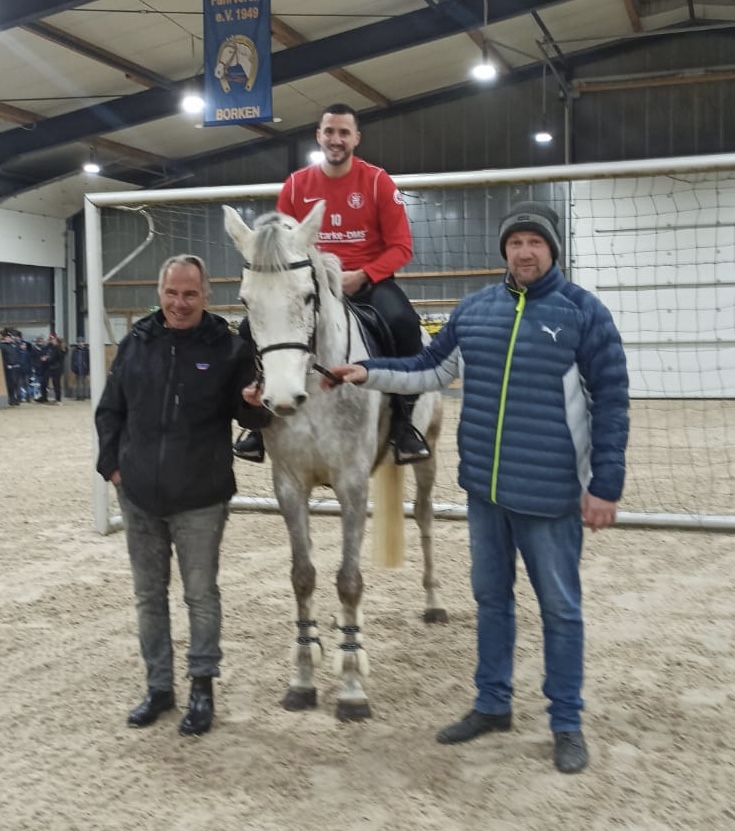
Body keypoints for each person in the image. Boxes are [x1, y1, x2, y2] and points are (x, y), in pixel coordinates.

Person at [321, 201, 630, 774]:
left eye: (535, 242)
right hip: (485, 493)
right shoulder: (476, 310)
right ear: (504, 251)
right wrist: (369, 372)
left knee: (561, 609)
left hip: (551, 493)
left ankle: (566, 721)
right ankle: (493, 703)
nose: (524, 252)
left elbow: (611, 401)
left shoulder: (584, 314)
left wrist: (605, 484)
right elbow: (429, 368)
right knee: (492, 601)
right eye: (515, 243)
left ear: (552, 249)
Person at [95, 254, 266, 737]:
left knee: (200, 596)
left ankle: (202, 689)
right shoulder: (135, 343)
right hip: (139, 496)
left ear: (206, 296)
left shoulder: (230, 349)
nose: (179, 303)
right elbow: (111, 411)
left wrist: (254, 406)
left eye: (190, 294)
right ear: (160, 292)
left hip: (201, 498)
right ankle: (159, 688)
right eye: (172, 293)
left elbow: (251, 420)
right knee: (149, 597)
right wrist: (112, 468)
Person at [233, 102, 430, 466]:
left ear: (356, 137)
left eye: (343, 132)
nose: (336, 139)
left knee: (404, 324)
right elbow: (283, 244)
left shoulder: (376, 181)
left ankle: (404, 423)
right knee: (248, 330)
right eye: (329, 132)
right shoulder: (296, 185)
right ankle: (257, 425)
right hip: (310, 287)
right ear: (318, 136)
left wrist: (365, 275)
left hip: (367, 283)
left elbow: (401, 246)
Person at [71, 335, 90, 400]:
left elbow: (88, 360)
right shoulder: (75, 350)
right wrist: (73, 367)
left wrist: (88, 369)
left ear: (84, 342)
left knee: (84, 383)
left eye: (82, 342)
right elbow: (72, 360)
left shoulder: (86, 350)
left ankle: (84, 395)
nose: (80, 343)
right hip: (77, 369)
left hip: (84, 369)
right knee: (78, 383)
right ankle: (78, 396)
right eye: (79, 342)